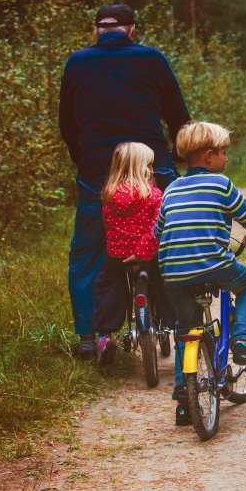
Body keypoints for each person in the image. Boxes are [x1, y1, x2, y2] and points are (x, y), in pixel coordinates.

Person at [59, 3, 191, 358]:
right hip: (153, 168)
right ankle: (180, 324)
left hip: (98, 173)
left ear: (97, 30)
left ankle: (90, 339)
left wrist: (88, 164)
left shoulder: (77, 63)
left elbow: (67, 127)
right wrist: (177, 160)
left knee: (88, 253)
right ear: (131, 30)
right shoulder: (152, 59)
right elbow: (179, 117)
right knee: (168, 239)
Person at [155, 122, 246, 425]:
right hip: (214, 264)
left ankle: (184, 397)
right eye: (223, 152)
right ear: (208, 156)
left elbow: (158, 231)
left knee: (186, 327)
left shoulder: (171, 189)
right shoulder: (221, 185)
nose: (226, 159)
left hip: (173, 272)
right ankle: (243, 341)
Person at [91, 142, 167, 367]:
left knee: (109, 286)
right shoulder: (154, 195)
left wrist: (122, 249)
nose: (153, 169)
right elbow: (157, 228)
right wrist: (142, 253)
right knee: (167, 281)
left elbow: (108, 225)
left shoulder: (109, 194)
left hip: (118, 256)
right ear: (142, 167)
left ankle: (105, 335)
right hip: (148, 255)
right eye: (150, 165)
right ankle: (180, 324)